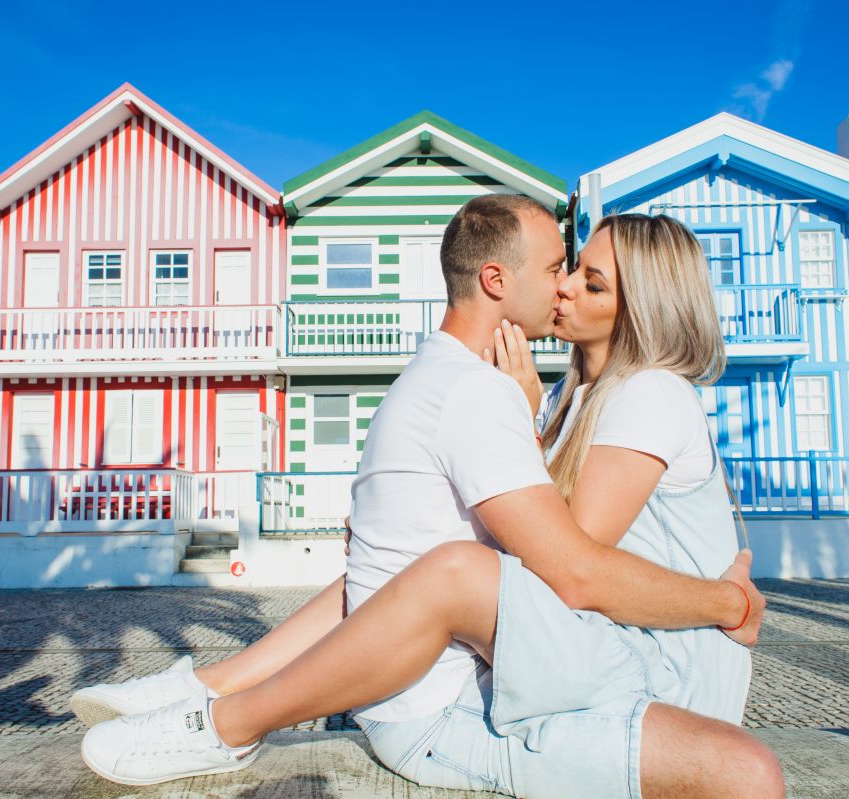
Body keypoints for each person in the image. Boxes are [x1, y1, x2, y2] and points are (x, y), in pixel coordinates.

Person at [73, 196, 784, 797]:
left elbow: (573, 566)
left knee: (451, 565)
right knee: (402, 565)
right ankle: (207, 687)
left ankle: (225, 717)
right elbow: (548, 546)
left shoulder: (649, 392)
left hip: (662, 659)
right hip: (607, 641)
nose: (564, 287)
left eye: (587, 281)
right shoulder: (577, 397)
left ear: (642, 309)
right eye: (565, 270)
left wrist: (730, 602)